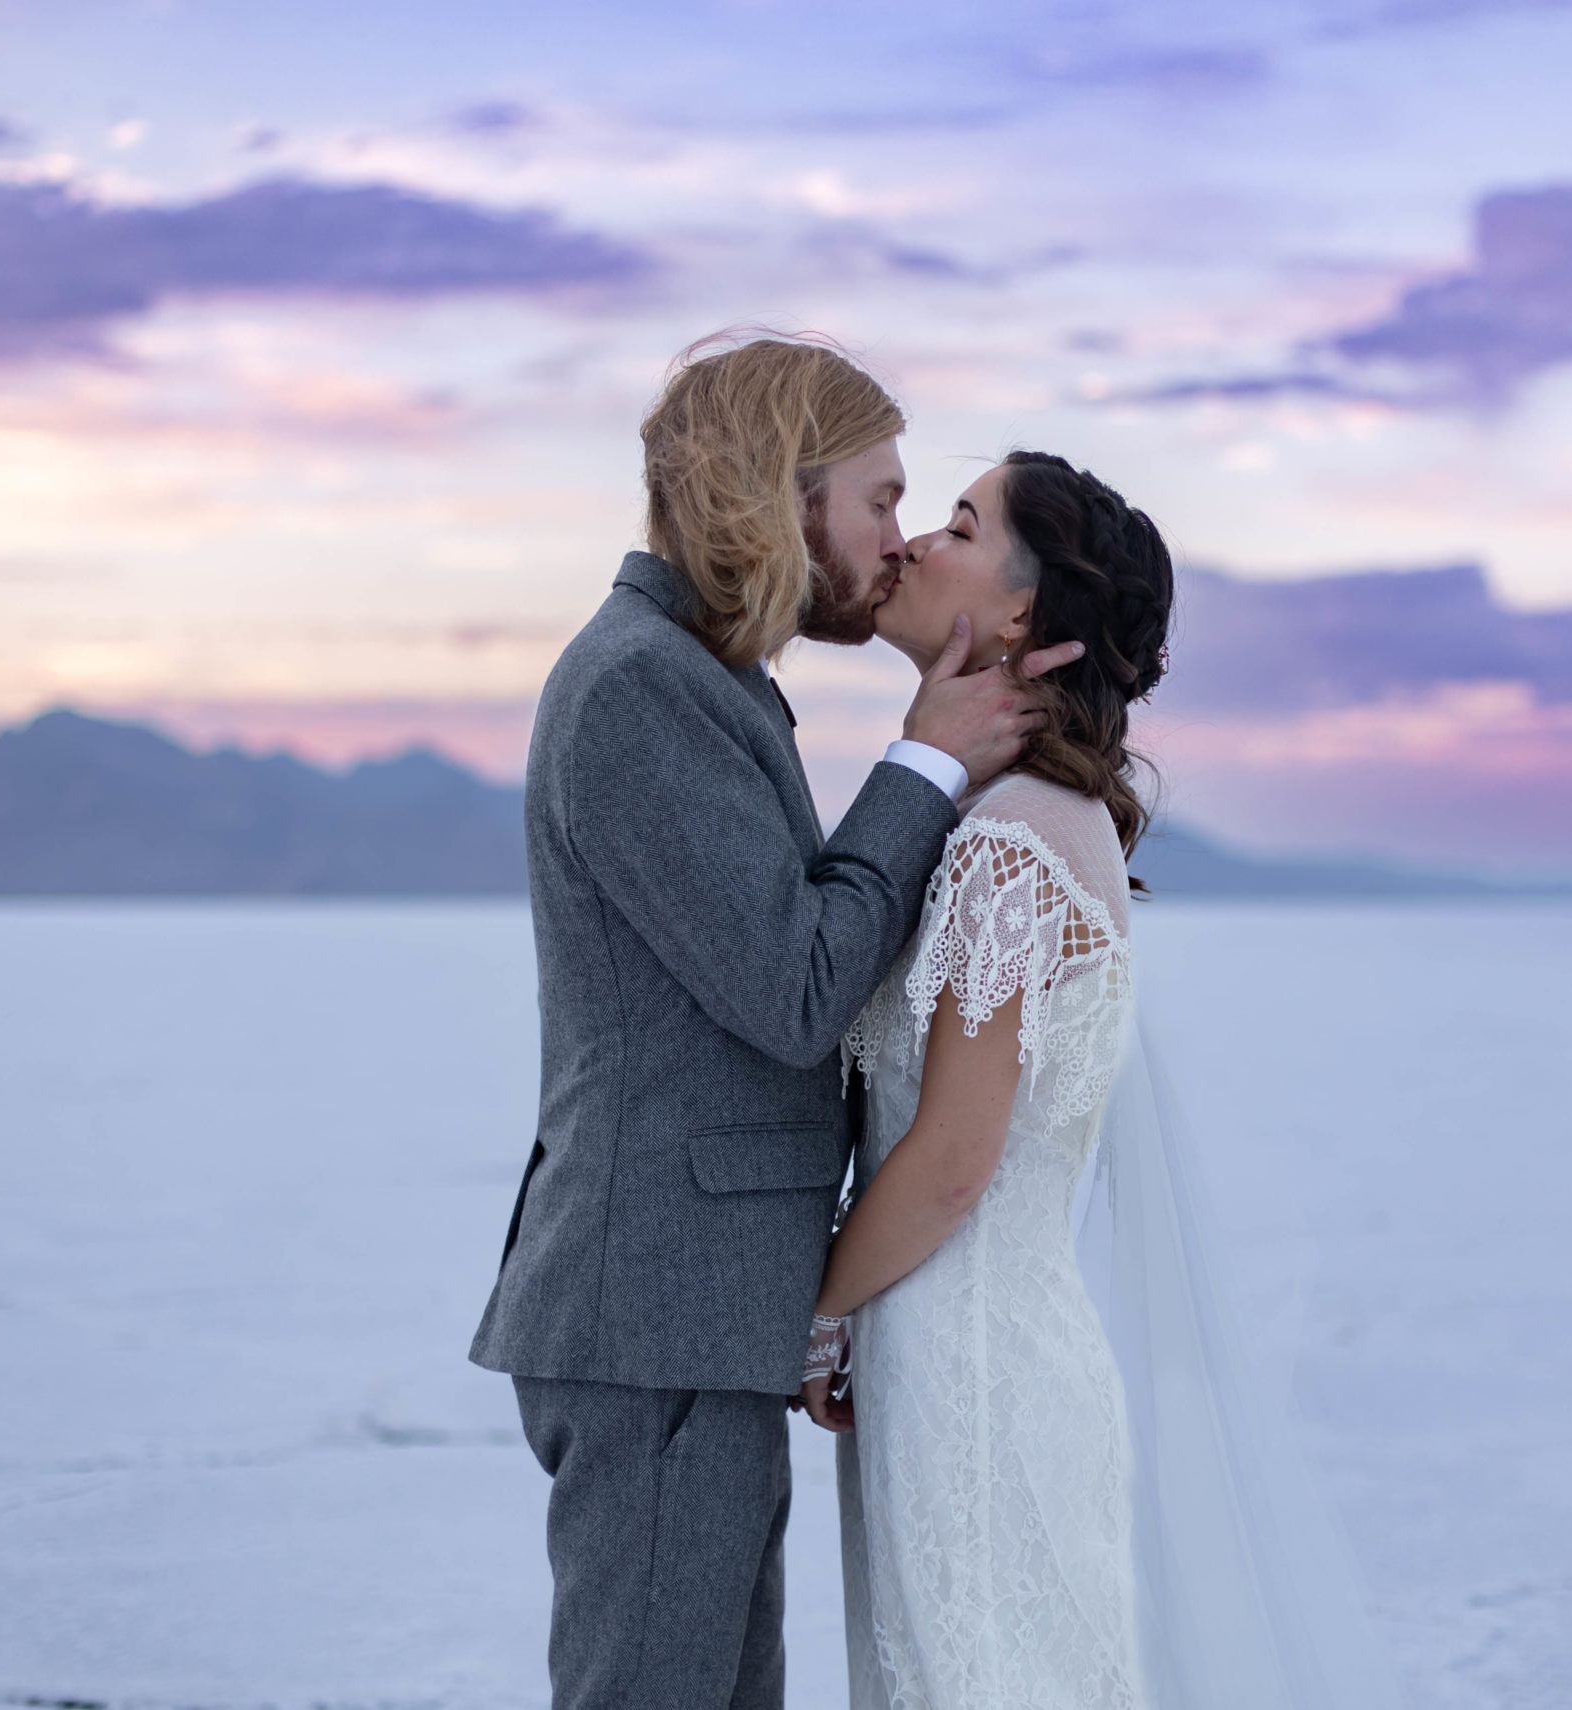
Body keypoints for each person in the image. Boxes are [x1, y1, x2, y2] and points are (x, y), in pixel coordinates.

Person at [466, 336, 1084, 1710]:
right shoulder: (639, 687)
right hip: (655, 1318)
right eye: (878, 499)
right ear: (776, 495)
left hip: (694, 1315)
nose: (896, 537)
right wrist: (924, 759)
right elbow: (796, 987)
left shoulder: (709, 678)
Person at [799, 451, 1171, 1709]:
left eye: (956, 524)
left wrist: (813, 1310)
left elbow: (956, 1160)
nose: (909, 545)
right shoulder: (1009, 818)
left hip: (970, 1380)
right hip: (956, 1356)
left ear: (1020, 614)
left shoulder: (1008, 844)